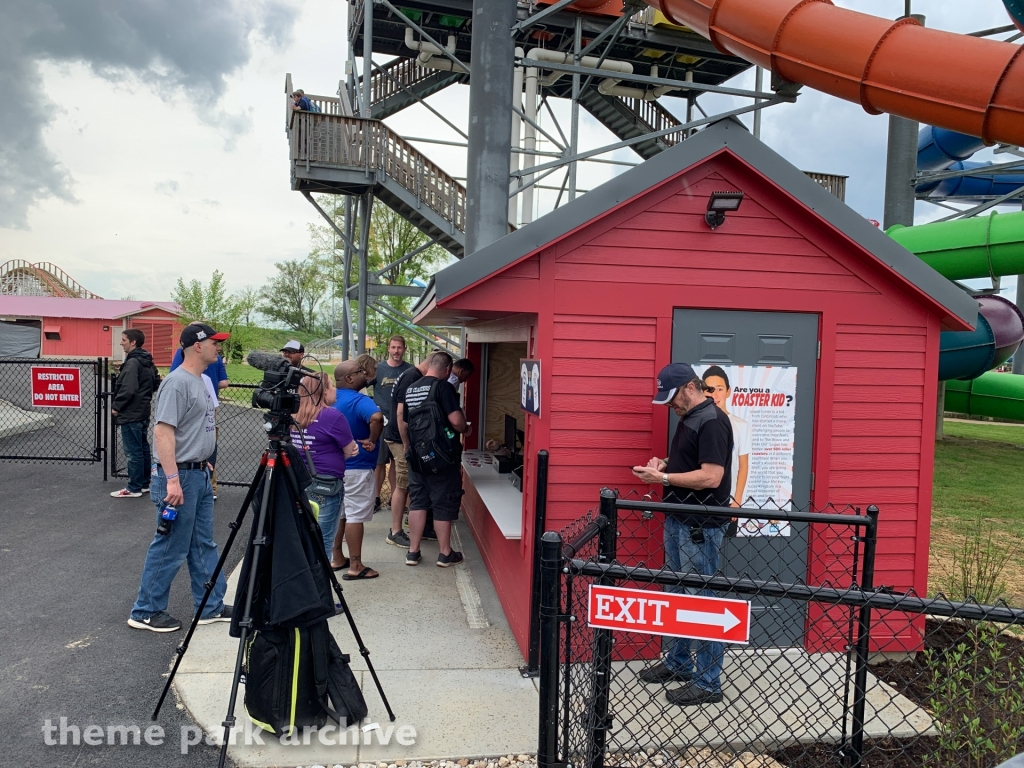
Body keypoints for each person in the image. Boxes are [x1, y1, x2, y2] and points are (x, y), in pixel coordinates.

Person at [631, 362, 733, 706]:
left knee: (701, 600)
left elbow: (711, 476)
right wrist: (665, 462)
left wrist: (662, 478)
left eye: (672, 398)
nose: (670, 405)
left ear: (691, 387)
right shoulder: (691, 417)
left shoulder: (713, 421)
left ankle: (708, 682)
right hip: (679, 520)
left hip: (699, 526)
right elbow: (691, 460)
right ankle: (679, 663)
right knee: (677, 595)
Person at [128, 323, 232, 632]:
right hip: (180, 477)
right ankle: (145, 611)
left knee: (203, 544)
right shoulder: (177, 383)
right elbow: (163, 432)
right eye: (214, 342)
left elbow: (196, 427)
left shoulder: (201, 380)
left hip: (197, 473)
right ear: (197, 346)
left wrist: (203, 460)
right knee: (171, 546)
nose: (219, 347)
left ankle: (210, 606)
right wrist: (172, 479)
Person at [401, 352, 471, 568]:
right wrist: (466, 429)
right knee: (443, 502)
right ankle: (445, 553)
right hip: (442, 457)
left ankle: (413, 552)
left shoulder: (411, 388)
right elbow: (456, 421)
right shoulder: (443, 387)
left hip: (417, 455)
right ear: (448, 369)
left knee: (418, 501)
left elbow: (404, 422)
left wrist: (408, 447)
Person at [292, 373, 358, 560]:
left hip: (300, 481)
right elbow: (350, 450)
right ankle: (321, 577)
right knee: (324, 539)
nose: (335, 389)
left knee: (304, 536)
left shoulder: (295, 414)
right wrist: (345, 451)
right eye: (332, 385)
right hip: (326, 483)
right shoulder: (332, 416)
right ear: (324, 391)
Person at [331, 359, 384, 581]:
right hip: (357, 467)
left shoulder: (329, 398)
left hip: (334, 467)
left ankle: (336, 558)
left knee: (339, 513)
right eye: (360, 371)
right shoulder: (359, 400)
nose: (365, 374)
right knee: (354, 516)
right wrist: (372, 440)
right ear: (349, 378)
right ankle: (356, 565)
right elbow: (377, 417)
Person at [381, 354, 432, 548]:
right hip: (398, 438)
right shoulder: (412, 376)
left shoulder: (410, 373)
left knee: (410, 483)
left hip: (401, 437)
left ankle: (414, 524)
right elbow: (401, 412)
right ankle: (395, 531)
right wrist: (406, 442)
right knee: (402, 485)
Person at [110, 328, 159, 498]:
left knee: (133, 452)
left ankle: (134, 487)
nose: (121, 343)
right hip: (143, 411)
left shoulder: (132, 362)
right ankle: (144, 483)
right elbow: (156, 382)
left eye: (124, 340)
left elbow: (128, 388)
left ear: (133, 342)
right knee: (142, 448)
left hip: (131, 412)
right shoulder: (147, 361)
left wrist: (117, 406)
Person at [372, 335, 413, 514]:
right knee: (379, 463)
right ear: (388, 348)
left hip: (400, 424)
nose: (396, 351)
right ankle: (376, 499)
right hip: (381, 422)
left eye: (399, 347)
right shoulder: (378, 369)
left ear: (404, 349)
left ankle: (396, 500)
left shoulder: (409, 370)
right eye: (393, 347)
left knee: (397, 463)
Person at [702, 365, 750, 507]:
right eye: (709, 389)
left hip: (728, 500)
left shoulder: (741, 425)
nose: (714, 395)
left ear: (728, 392)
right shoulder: (697, 422)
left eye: (719, 389)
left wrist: (737, 500)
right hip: (700, 500)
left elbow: (743, 465)